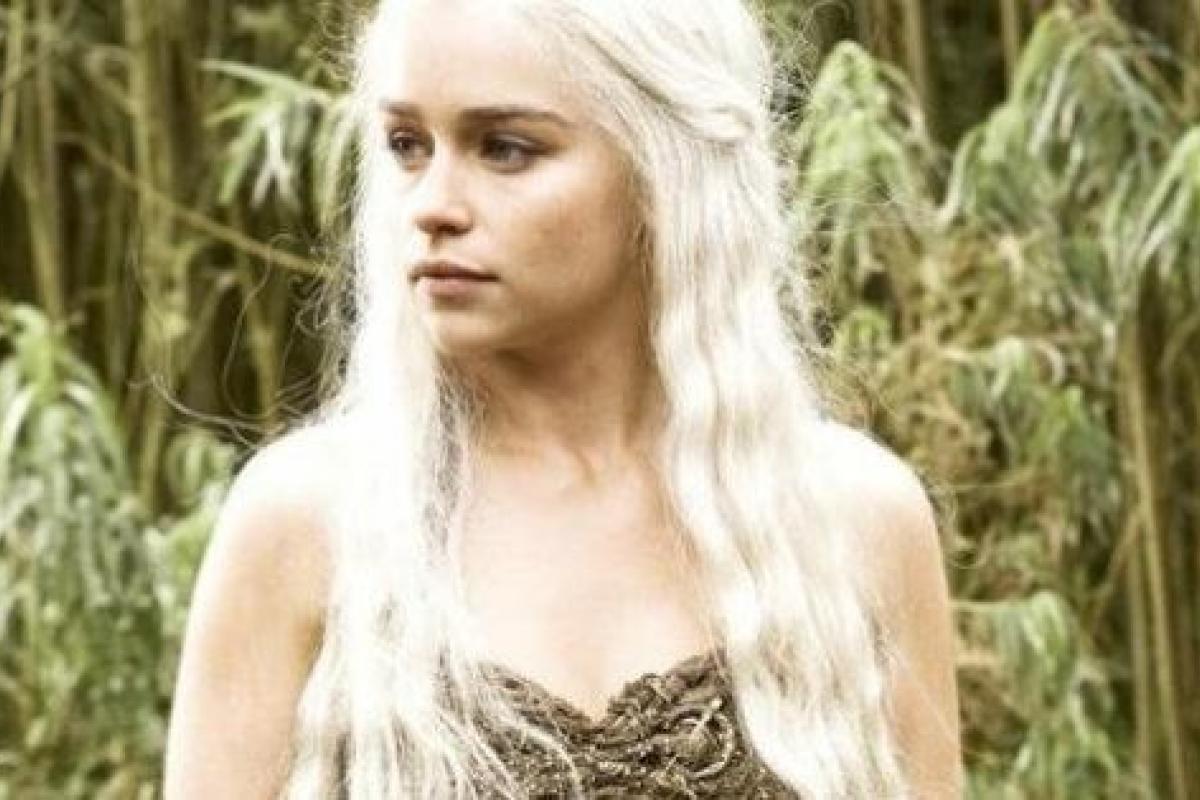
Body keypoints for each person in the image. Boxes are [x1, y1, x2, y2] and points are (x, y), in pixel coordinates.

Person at [163, 0, 962, 797]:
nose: (431, 205)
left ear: (663, 168)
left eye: (505, 149)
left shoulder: (847, 523)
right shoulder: (310, 522)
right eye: (408, 145)